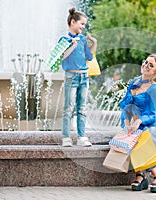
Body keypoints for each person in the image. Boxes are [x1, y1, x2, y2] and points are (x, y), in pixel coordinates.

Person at [119, 54, 156, 193]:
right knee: (131, 136)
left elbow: (155, 114)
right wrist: (126, 123)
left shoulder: (153, 88)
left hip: (151, 126)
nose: (146, 66)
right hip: (135, 125)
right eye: (145, 62)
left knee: (142, 137)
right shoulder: (134, 82)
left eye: (151, 65)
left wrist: (139, 121)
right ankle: (140, 175)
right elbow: (126, 106)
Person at [60, 7, 97, 147]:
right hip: (71, 76)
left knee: (81, 108)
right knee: (68, 108)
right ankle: (66, 137)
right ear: (73, 22)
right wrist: (72, 46)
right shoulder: (64, 40)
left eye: (84, 25)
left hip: (84, 76)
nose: (83, 27)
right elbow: (62, 57)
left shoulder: (81, 39)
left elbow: (89, 57)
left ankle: (81, 137)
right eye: (82, 24)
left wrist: (94, 43)